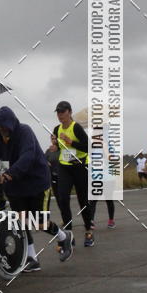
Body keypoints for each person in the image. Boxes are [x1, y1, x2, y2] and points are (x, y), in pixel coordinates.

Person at [0, 106, 73, 271]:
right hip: (14, 188)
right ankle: (31, 258)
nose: (2, 130)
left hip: (37, 184)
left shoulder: (24, 132)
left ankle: (64, 237)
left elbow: (27, 156)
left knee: (40, 223)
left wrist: (10, 173)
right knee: (22, 222)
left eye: (4, 127)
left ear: (11, 124)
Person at [52, 101, 94, 247]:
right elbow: (59, 147)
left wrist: (71, 142)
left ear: (69, 112)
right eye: (58, 112)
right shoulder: (56, 129)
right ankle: (68, 235)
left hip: (80, 167)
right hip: (64, 167)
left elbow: (88, 147)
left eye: (62, 112)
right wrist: (54, 146)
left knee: (83, 201)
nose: (60, 115)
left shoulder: (76, 127)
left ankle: (88, 230)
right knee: (63, 199)